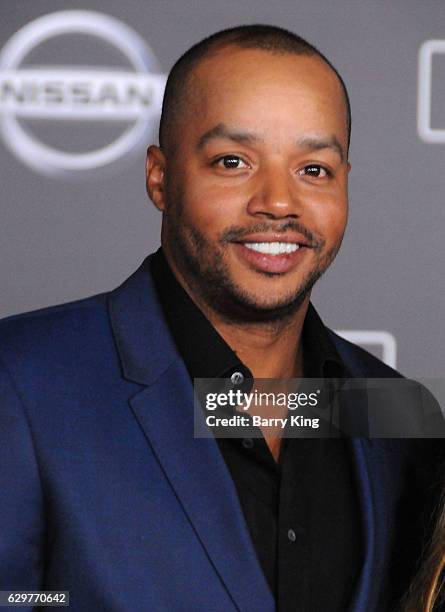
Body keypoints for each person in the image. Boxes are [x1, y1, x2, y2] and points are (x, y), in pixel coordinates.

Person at [0, 24, 441, 612]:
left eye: (313, 169)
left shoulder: (396, 411)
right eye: (233, 162)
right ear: (160, 176)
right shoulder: (22, 383)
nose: (279, 203)